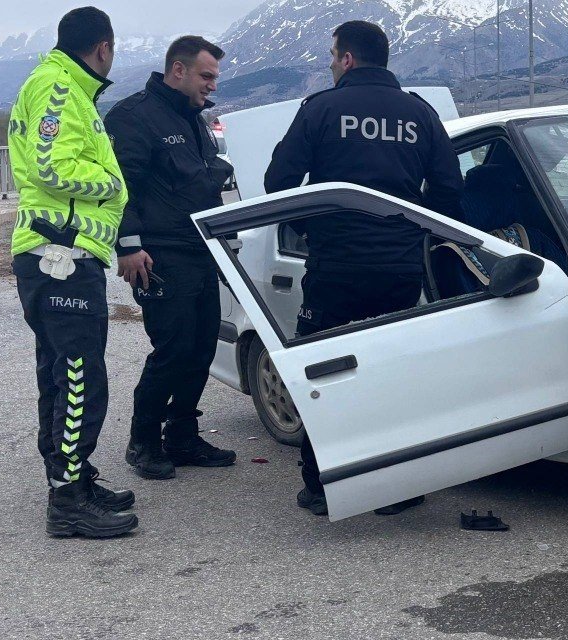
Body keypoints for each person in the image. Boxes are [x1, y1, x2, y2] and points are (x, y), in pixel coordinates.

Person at [263, 20, 463, 516]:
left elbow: (279, 182)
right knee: (391, 372)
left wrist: (315, 228)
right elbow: (449, 194)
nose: (331, 65)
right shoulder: (420, 113)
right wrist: (411, 233)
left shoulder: (321, 110)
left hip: (335, 267)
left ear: (347, 58)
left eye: (333, 56)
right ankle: (397, 487)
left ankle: (323, 485)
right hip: (398, 269)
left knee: (327, 375)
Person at [8, 6, 137, 537]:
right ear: (103, 47)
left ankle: (73, 480)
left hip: (58, 254)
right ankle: (67, 500)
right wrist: (112, 181)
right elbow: (53, 166)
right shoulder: (59, 88)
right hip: (59, 254)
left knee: (61, 372)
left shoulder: (65, 87)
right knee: (81, 375)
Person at [105, 36, 236, 480]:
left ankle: (181, 436)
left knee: (201, 347)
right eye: (206, 76)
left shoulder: (195, 120)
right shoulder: (134, 117)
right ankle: (143, 443)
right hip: (159, 256)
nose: (211, 86)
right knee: (173, 349)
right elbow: (120, 188)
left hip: (200, 250)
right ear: (177, 71)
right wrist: (127, 245)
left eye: (214, 77)